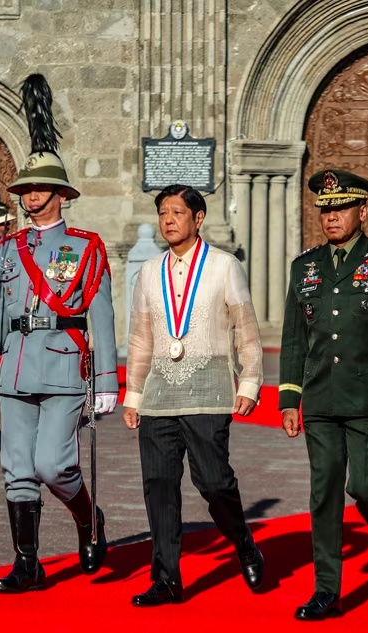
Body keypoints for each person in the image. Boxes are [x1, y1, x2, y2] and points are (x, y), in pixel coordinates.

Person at [0, 73, 118, 594]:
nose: (28, 196)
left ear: (58, 194)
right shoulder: (8, 247)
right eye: (24, 189)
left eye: (36, 189)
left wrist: (106, 382)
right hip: (13, 365)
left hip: (61, 363)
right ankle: (27, 562)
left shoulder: (86, 246)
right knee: (16, 468)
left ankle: (86, 519)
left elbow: (100, 314)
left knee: (54, 466)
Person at [279, 169, 368, 620]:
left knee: (366, 488)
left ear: (363, 211)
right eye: (324, 209)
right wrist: (288, 398)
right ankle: (326, 590)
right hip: (320, 399)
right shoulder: (305, 266)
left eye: (340, 208)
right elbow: (295, 338)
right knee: (324, 493)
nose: (331, 216)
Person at [123, 184, 266, 606]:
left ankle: (243, 542)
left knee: (213, 481)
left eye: (177, 212)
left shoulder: (224, 266)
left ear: (198, 218)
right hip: (159, 393)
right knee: (159, 484)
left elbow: (246, 328)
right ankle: (166, 578)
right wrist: (134, 393)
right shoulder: (149, 271)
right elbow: (141, 337)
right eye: (163, 213)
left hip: (209, 388)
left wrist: (251, 382)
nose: (168, 220)